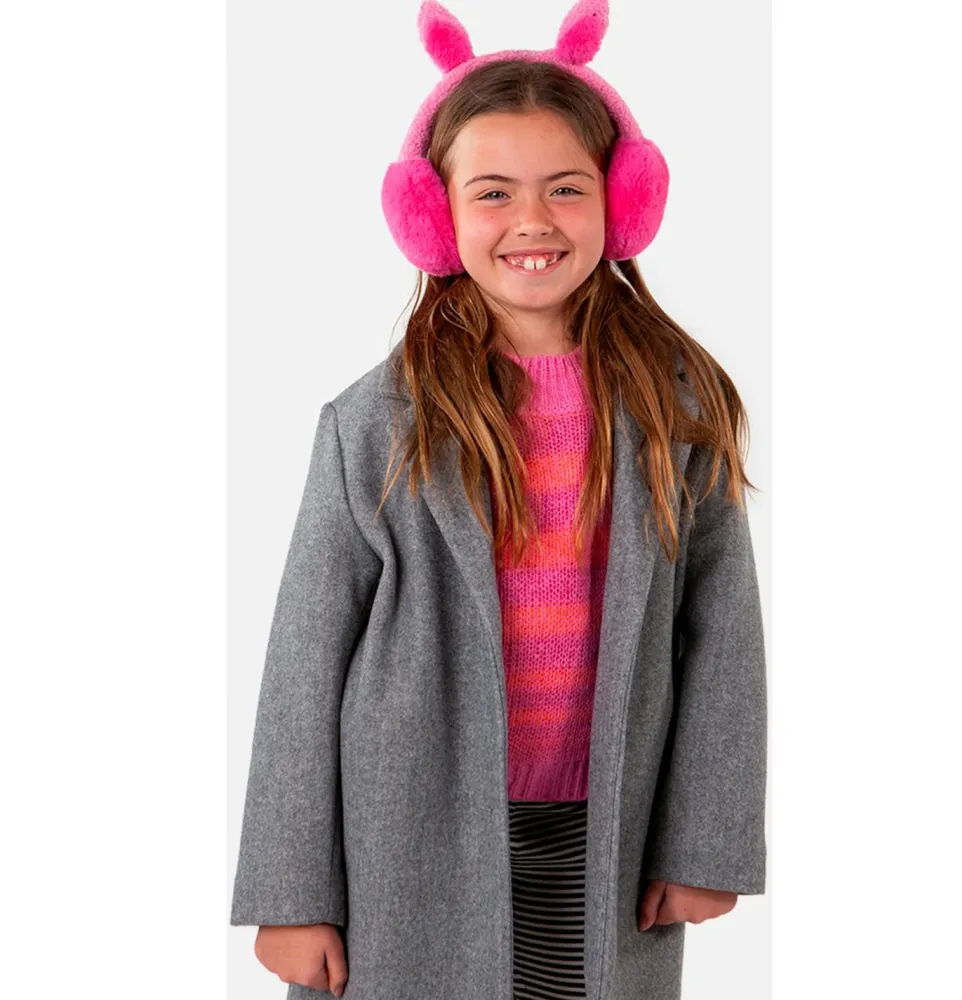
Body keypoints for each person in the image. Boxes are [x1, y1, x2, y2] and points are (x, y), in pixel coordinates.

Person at [230, 2, 767, 999]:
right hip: (410, 830)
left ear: (621, 200)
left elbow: (721, 631)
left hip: (609, 827)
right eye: (492, 192)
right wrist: (290, 892)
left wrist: (706, 839)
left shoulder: (679, 408)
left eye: (566, 187)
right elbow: (304, 660)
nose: (533, 221)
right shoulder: (372, 423)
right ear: (433, 215)